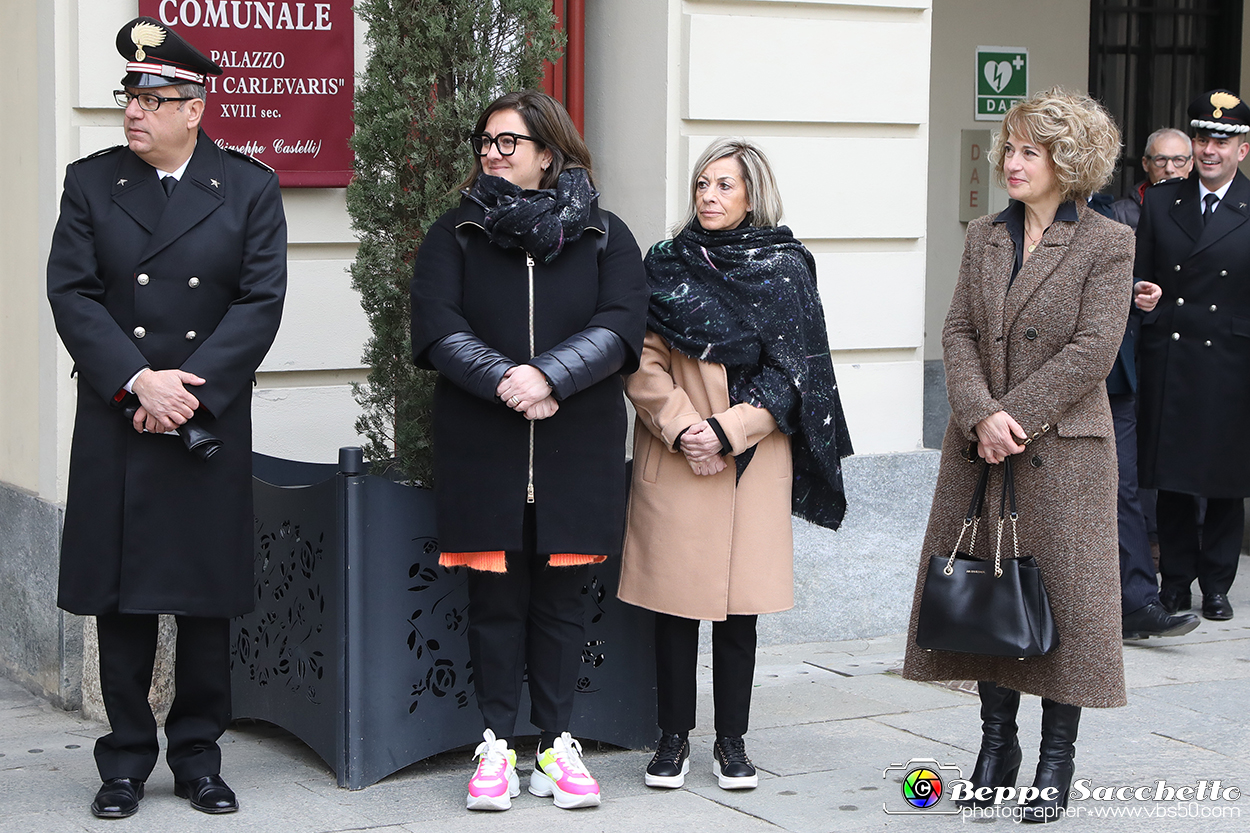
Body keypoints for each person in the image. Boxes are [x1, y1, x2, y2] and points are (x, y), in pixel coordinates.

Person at [45, 16, 287, 819]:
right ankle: (122, 762)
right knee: (125, 600)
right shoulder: (91, 182)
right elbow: (72, 293)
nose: (134, 110)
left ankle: (198, 757)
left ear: (195, 107)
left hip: (201, 421)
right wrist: (138, 381)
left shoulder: (249, 187)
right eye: (130, 94)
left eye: (153, 96)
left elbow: (260, 302)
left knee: (205, 600)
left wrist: (188, 391)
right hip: (122, 416)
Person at [410, 90, 647, 812]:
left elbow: (620, 325)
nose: (491, 152)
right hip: (486, 446)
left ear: (549, 153)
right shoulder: (456, 233)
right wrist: (507, 379)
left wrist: (552, 375)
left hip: (575, 449)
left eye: (507, 142)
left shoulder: (606, 235)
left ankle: (554, 743)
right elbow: (436, 325)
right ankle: (494, 744)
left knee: (562, 605)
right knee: (494, 603)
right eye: (485, 140)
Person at [902, 88, 1132, 823]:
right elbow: (957, 332)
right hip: (982, 449)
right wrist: (977, 414)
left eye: (1030, 150)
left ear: (1070, 161)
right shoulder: (983, 236)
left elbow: (1094, 349)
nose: (1012, 161)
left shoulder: (1107, 240)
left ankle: (1054, 761)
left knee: (1065, 603)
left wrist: (1012, 416)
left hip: (1061, 451)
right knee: (987, 591)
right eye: (1010, 147)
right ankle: (996, 745)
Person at [618, 139, 852, 792]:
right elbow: (642, 357)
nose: (710, 196)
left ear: (753, 194)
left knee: (739, 610)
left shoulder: (783, 267)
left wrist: (728, 430)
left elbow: (796, 370)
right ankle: (671, 741)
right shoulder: (664, 265)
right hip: (678, 453)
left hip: (752, 456)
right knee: (674, 607)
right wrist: (685, 425)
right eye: (702, 184)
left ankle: (732, 742)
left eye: (725, 185)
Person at [1135, 89, 1250, 623]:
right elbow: (1141, 271)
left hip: (1231, 360)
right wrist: (1144, 293)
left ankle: (1218, 583)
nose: (1209, 150)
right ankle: (1176, 582)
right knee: (1174, 476)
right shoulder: (1161, 202)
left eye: (1221, 141)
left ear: (1242, 151)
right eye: (1203, 138)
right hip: (1174, 355)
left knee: (1226, 478)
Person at [1091, 133, 1200, 641]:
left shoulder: (1110, 220)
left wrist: (1139, 294)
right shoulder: (1005, 228)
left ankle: (1137, 601)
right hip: (1041, 387)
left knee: (1124, 489)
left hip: (1115, 379)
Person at [1110, 128, 1194, 229]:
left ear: (1191, 164)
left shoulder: (1203, 207)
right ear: (1145, 164)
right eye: (1161, 159)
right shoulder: (1119, 213)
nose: (1169, 169)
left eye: (1179, 160)